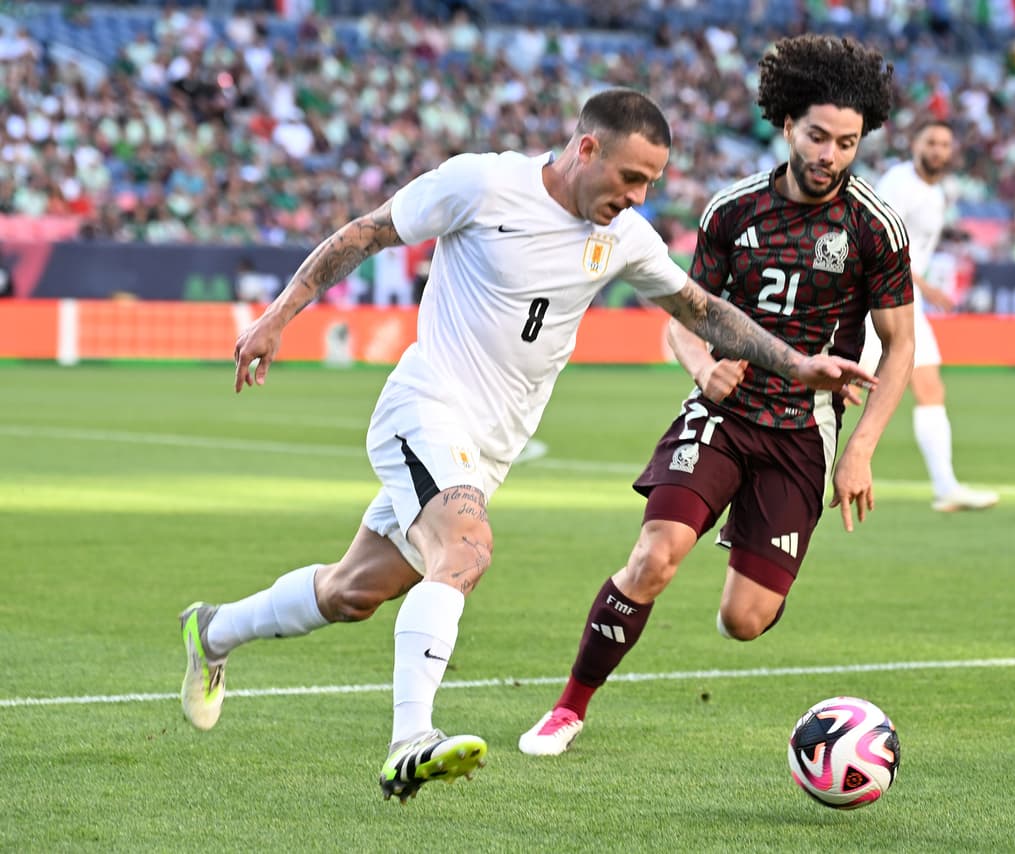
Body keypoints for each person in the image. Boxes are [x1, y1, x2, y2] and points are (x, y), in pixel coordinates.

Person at [177, 87, 872, 802]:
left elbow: (701, 309)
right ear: (587, 148)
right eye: (631, 177)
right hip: (426, 405)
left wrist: (794, 364)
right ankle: (409, 741)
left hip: (491, 447)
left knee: (354, 591)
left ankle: (213, 632)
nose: (637, 197)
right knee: (467, 549)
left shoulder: (625, 237)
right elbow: (364, 234)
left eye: (652, 184)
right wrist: (275, 318)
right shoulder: (482, 184)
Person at [517, 35, 915, 758]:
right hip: (723, 414)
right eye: (819, 136)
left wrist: (859, 451)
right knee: (655, 556)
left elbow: (902, 345)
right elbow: (687, 315)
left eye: (848, 143)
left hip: (804, 432)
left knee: (745, 621)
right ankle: (568, 710)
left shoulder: (875, 229)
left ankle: (761, 551)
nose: (830, 155)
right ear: (788, 124)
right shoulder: (732, 212)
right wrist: (703, 369)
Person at [858, 120, 998, 512]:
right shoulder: (899, 182)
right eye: (931, 142)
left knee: (929, 388)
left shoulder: (937, 192)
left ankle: (946, 486)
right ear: (914, 144)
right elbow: (882, 242)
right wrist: (928, 286)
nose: (938, 149)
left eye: (944, 144)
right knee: (842, 388)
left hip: (906, 298)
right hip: (878, 298)